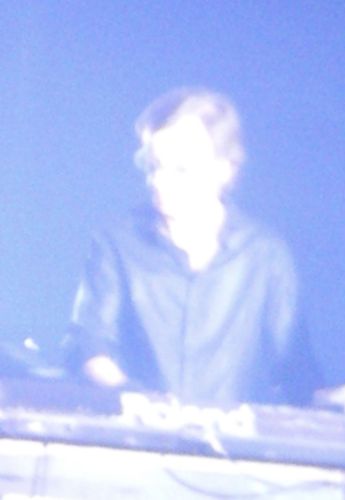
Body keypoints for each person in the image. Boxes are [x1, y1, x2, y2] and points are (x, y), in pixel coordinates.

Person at [65, 88, 319, 405]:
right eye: (153, 167)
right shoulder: (116, 243)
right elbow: (89, 345)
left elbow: (296, 371)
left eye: (180, 169)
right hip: (136, 431)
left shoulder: (265, 254)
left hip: (229, 436)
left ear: (224, 170)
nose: (159, 181)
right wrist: (137, 398)